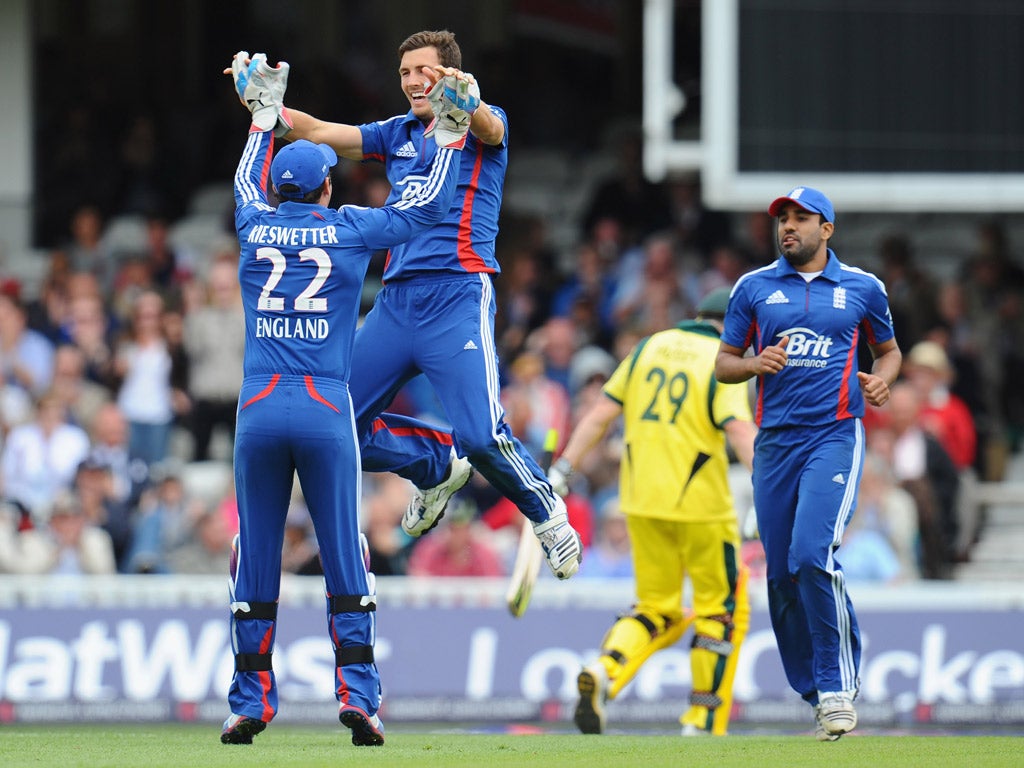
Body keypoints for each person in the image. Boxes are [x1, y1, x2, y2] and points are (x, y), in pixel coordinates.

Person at [235, 29, 582, 580]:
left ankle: (546, 513)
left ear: (448, 72)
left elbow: (489, 123)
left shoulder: (478, 119)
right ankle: (434, 467)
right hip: (398, 301)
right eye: (404, 73)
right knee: (334, 426)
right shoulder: (396, 132)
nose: (414, 81)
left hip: (458, 293)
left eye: (425, 70)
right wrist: (266, 106)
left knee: (482, 434)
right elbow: (322, 131)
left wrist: (467, 101)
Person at [218, 55, 468, 748]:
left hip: (258, 408)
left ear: (278, 186)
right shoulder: (350, 226)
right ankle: (359, 697)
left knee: (257, 554)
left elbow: (244, 179)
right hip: (326, 409)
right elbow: (427, 211)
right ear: (328, 187)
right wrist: (447, 135)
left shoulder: (253, 222)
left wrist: (261, 121)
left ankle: (249, 702)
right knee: (344, 556)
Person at [714, 186, 902, 741]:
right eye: (783, 219)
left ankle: (838, 685)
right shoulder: (752, 288)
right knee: (778, 574)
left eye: (801, 218)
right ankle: (817, 694)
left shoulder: (863, 288)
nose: (788, 227)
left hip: (835, 436)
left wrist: (881, 382)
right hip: (774, 444)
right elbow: (723, 364)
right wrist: (752, 364)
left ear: (828, 229)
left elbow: (888, 350)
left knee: (810, 555)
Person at [549, 287, 756, 736]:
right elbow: (739, 430)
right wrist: (772, 490)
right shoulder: (721, 360)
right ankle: (702, 720)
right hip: (702, 507)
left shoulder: (649, 347)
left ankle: (606, 670)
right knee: (721, 611)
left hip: (641, 503)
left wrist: (562, 470)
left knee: (656, 607)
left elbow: (601, 414)